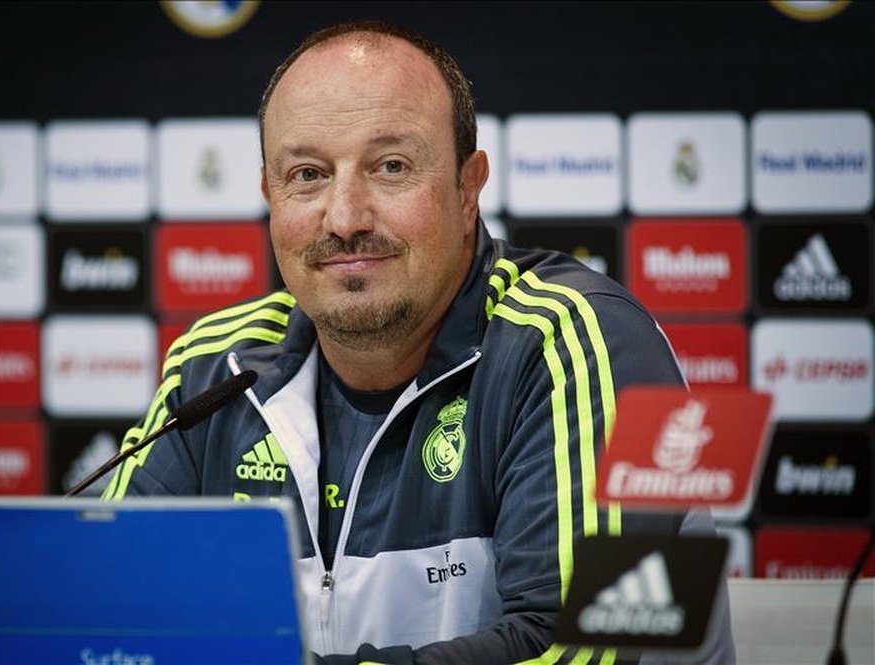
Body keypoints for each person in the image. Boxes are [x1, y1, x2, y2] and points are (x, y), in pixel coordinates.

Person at [104, 19, 735, 665]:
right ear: (270, 194)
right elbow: (100, 611)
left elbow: (577, 645)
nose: (345, 218)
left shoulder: (578, 341)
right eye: (307, 174)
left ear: (468, 187)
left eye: (391, 166)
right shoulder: (215, 368)